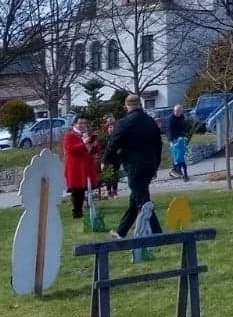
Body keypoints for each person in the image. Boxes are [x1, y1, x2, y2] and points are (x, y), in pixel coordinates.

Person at [105, 95, 163, 240]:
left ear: (126, 107)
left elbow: (113, 143)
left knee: (143, 200)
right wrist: (156, 164)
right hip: (150, 165)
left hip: (134, 166)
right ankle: (121, 231)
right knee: (136, 198)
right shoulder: (151, 122)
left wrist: (106, 160)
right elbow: (159, 144)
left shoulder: (124, 123)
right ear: (140, 105)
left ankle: (158, 234)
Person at [62, 118, 98, 222]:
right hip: (75, 166)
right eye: (80, 123)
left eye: (85, 123)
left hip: (86, 165)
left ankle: (85, 209)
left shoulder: (87, 134)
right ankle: (77, 212)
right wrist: (84, 143)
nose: (83, 125)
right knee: (76, 189)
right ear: (75, 124)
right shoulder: (69, 135)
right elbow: (70, 149)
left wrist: (94, 145)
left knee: (84, 188)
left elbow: (93, 151)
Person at [167, 105, 190, 181]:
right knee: (177, 157)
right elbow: (169, 130)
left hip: (181, 138)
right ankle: (179, 172)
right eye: (176, 111)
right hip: (174, 139)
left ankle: (177, 171)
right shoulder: (171, 119)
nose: (177, 113)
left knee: (180, 157)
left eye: (179, 111)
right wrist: (170, 141)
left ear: (181, 111)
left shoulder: (182, 117)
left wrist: (185, 136)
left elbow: (183, 128)